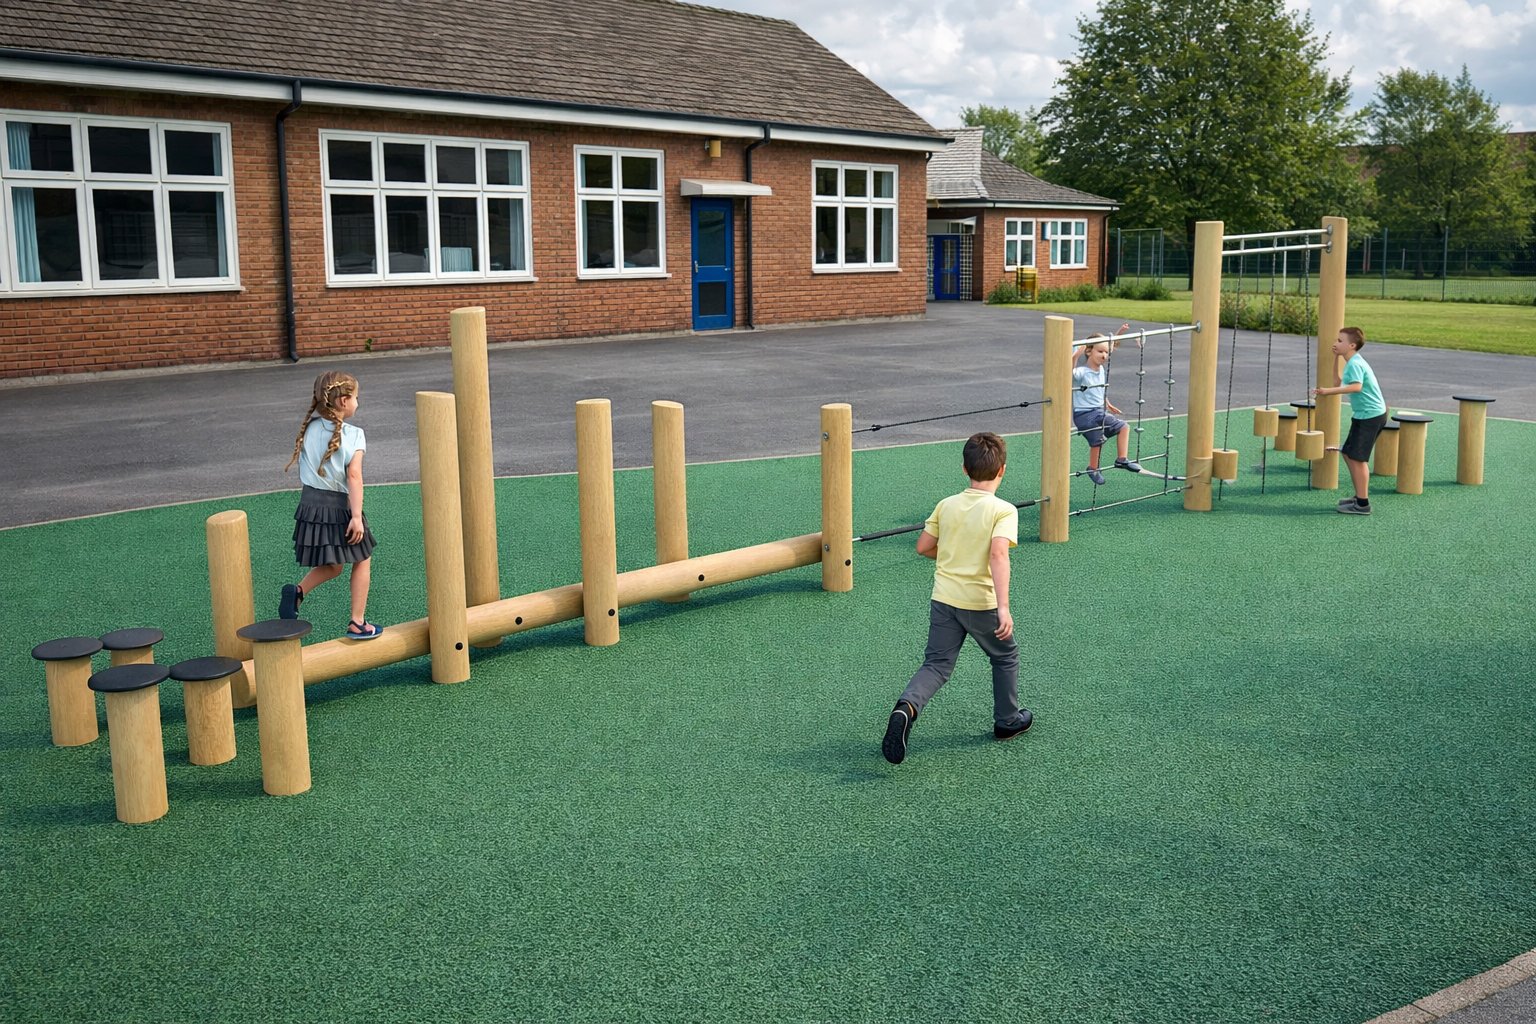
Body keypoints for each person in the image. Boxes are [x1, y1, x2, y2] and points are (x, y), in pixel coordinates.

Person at [882, 432, 1034, 765]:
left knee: (936, 665)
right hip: (981, 603)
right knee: (1005, 656)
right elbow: (998, 556)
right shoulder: (1003, 511)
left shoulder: (946, 505)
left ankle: (906, 707)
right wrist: (1004, 607)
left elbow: (923, 547)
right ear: (1002, 471)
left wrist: (953, 557)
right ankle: (1007, 722)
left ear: (964, 469)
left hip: (944, 599)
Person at [278, 371, 383, 638]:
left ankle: (298, 592)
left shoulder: (309, 427)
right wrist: (356, 516)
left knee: (334, 565)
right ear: (344, 401)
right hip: (338, 506)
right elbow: (354, 476)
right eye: (357, 398)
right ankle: (357, 622)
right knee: (363, 558)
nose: (358, 403)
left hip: (310, 505)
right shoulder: (354, 435)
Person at [1312, 326, 1387, 515]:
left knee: (1358, 458)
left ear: (1352, 345)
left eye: (1340, 341)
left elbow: (1356, 387)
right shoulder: (1351, 362)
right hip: (1364, 414)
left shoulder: (1355, 364)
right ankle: (1358, 495)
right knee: (1347, 453)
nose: (1336, 343)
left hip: (1371, 415)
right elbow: (1338, 383)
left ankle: (1362, 504)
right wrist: (1336, 357)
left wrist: (1326, 392)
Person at [1073, 324, 1142, 484]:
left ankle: (1096, 467)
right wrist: (1075, 356)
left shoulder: (1101, 370)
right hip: (1085, 415)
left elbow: (1111, 346)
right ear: (1088, 351)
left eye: (1106, 352)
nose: (1104, 355)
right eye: (1100, 351)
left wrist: (1120, 333)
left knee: (1110, 434)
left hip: (1097, 411)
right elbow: (1068, 372)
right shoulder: (1082, 372)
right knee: (1106, 436)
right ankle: (1118, 460)